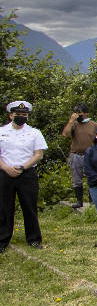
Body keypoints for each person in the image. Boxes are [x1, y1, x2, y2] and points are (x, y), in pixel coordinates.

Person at [0, 101, 47, 252]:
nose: (21, 117)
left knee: (29, 206)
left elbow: (38, 155)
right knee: (4, 208)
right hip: (5, 173)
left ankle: (34, 239)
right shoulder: (1, 131)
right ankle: (3, 240)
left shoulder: (34, 132)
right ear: (11, 115)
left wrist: (22, 167)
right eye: (18, 114)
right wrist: (6, 168)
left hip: (27, 174)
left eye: (24, 115)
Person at [61, 103, 97, 208]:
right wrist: (70, 121)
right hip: (76, 155)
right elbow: (65, 134)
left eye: (80, 113)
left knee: (92, 177)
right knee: (76, 179)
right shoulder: (74, 124)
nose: (78, 115)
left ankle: (93, 201)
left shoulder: (94, 125)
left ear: (86, 113)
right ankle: (79, 201)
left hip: (90, 155)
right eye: (76, 113)